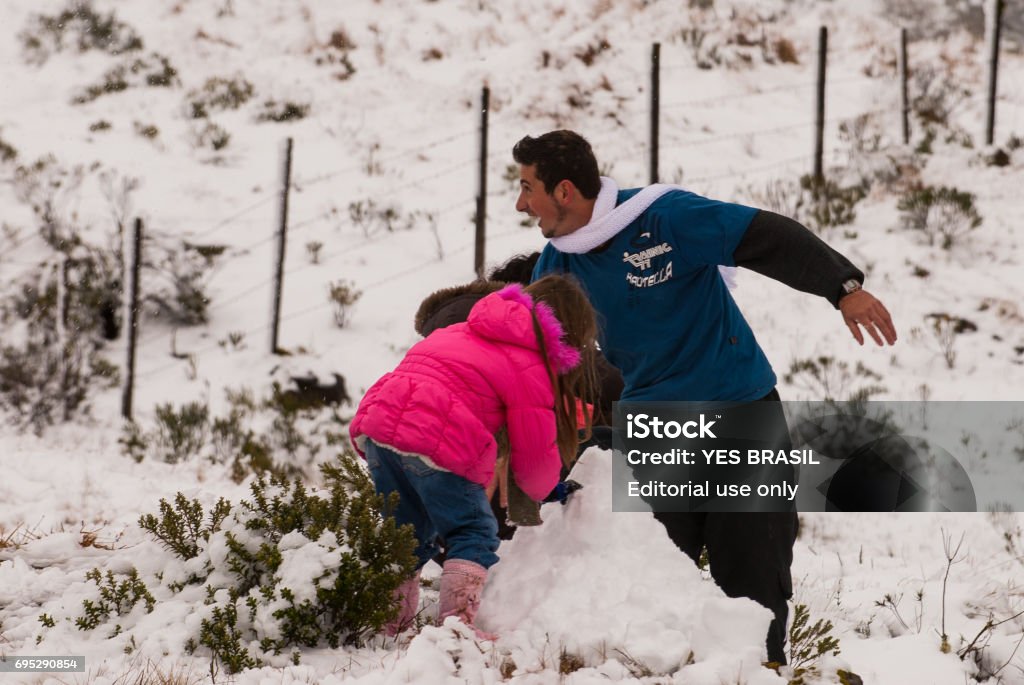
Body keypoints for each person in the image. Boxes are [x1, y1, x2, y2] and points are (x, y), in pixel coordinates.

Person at [513, 129, 897, 664]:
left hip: (740, 409)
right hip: (656, 429)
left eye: (528, 186)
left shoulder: (662, 217)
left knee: (753, 565)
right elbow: (543, 367)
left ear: (565, 191)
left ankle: (762, 669)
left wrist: (843, 289)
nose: (520, 202)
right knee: (659, 570)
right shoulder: (558, 267)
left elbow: (765, 236)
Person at [349, 275, 599, 638]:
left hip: (378, 427)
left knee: (405, 532)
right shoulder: (530, 363)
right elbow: (533, 459)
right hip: (435, 435)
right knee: (473, 532)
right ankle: (455, 628)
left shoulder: (464, 328)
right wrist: (550, 489)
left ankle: (387, 623)